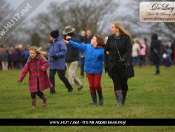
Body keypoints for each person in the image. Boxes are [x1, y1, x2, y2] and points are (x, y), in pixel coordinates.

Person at [63, 34, 105, 106]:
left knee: (97, 85)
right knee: (91, 86)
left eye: (93, 39)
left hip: (97, 70)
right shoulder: (87, 47)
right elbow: (78, 45)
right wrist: (69, 42)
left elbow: (105, 59)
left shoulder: (102, 50)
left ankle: (101, 97)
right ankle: (94, 102)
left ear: (97, 42)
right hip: (89, 70)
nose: (91, 39)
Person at [105, 21, 134, 107]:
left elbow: (129, 51)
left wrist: (123, 58)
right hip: (113, 64)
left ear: (117, 29)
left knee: (124, 84)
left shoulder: (126, 38)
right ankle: (120, 102)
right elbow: (106, 49)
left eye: (112, 27)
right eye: (111, 27)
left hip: (123, 64)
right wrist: (107, 61)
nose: (111, 29)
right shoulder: (110, 38)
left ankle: (123, 99)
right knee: (116, 82)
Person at [48, 29, 73, 94]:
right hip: (52, 62)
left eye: (50, 36)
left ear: (54, 36)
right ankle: (52, 90)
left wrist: (56, 55)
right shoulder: (51, 42)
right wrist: (48, 56)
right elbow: (50, 51)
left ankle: (70, 88)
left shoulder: (61, 42)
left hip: (59, 62)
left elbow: (64, 51)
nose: (49, 37)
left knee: (61, 77)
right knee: (51, 76)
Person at [63, 25, 83, 91]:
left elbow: (78, 43)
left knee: (71, 73)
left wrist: (70, 38)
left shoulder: (76, 36)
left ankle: (70, 87)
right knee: (71, 73)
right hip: (67, 58)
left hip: (74, 58)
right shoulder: (64, 37)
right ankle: (80, 85)